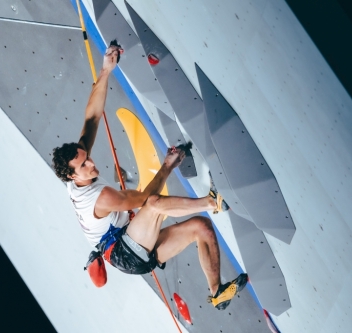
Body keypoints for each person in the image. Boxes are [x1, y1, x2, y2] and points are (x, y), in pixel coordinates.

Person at [51, 45, 247, 310]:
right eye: (84, 165)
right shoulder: (100, 197)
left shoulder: (73, 171)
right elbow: (146, 199)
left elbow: (93, 116)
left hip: (131, 241)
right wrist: (167, 166)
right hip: (125, 252)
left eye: (87, 156)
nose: (91, 162)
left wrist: (106, 71)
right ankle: (213, 202)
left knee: (202, 228)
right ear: (72, 175)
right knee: (154, 205)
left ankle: (217, 293)